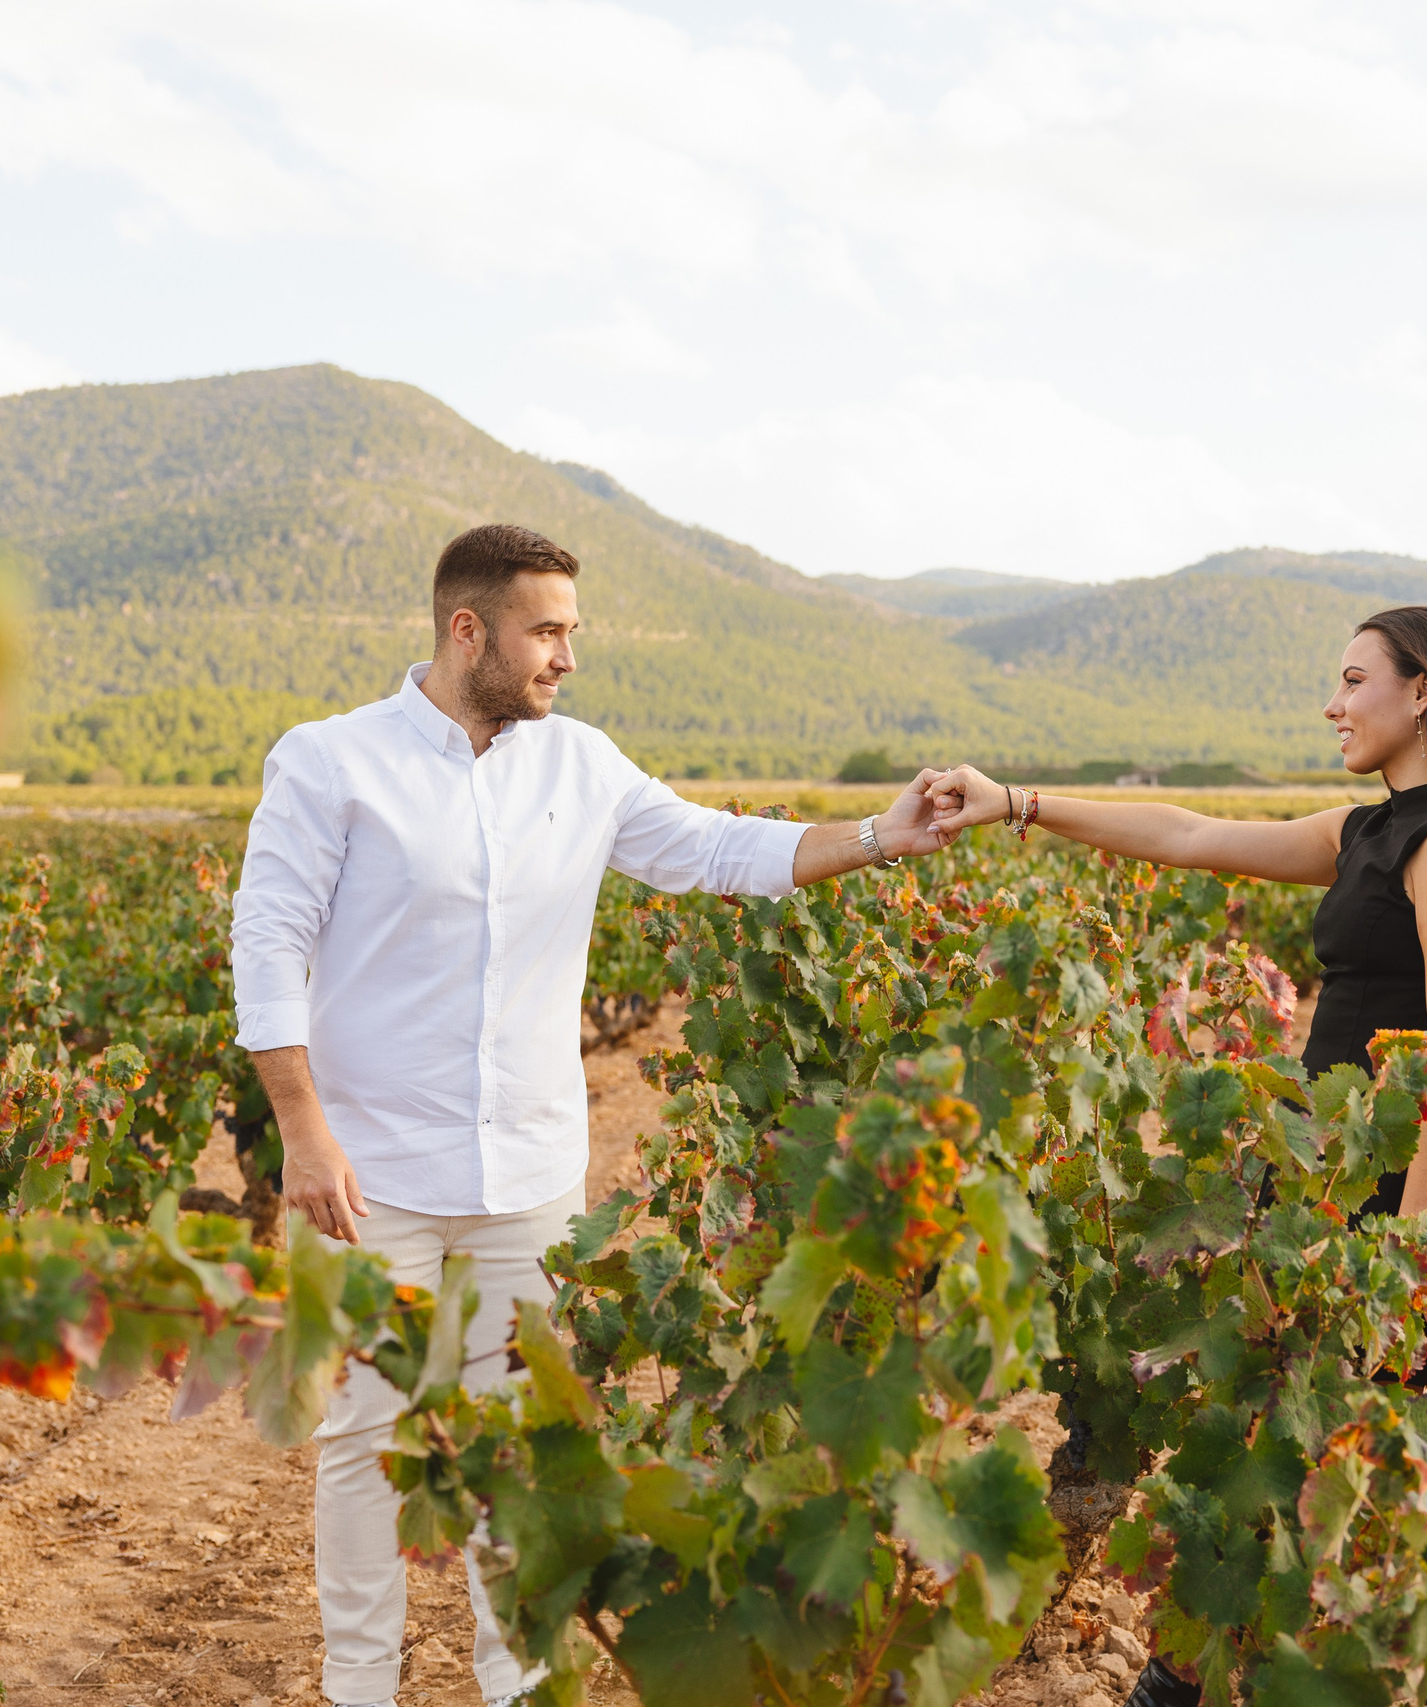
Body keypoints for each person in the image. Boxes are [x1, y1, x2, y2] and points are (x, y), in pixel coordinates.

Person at [230, 523, 944, 1707]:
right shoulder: (327, 761)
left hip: (530, 1183)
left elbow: (718, 851)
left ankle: (517, 1691)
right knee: (363, 1448)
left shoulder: (584, 765)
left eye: (570, 632)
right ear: (471, 631)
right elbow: (269, 942)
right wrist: (302, 1128)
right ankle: (360, 1691)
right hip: (370, 1178)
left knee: (524, 1460)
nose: (566, 657)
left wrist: (880, 836)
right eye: (547, 631)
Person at [923, 603, 1427, 1363]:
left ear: (1421, 692)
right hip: (1337, 1155)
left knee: (1406, 1443)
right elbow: (1188, 835)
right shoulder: (1367, 830)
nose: (1333, 705)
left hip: (1408, 1178)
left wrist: (1415, 1245)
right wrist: (1017, 803)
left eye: (1354, 681)